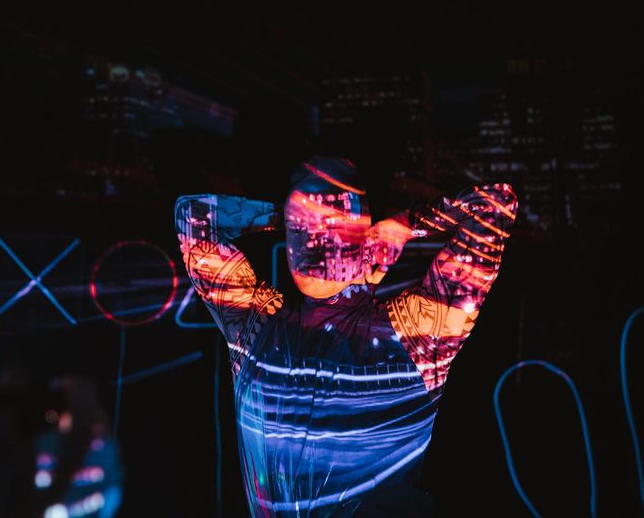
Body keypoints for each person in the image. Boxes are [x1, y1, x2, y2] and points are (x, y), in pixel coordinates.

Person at [174, 157, 517, 517]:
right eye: (300, 227)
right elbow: (192, 214)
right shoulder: (255, 325)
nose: (312, 238)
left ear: (366, 236)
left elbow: (493, 206)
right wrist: (287, 217)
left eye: (332, 224)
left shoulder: (417, 331)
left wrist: (403, 226)